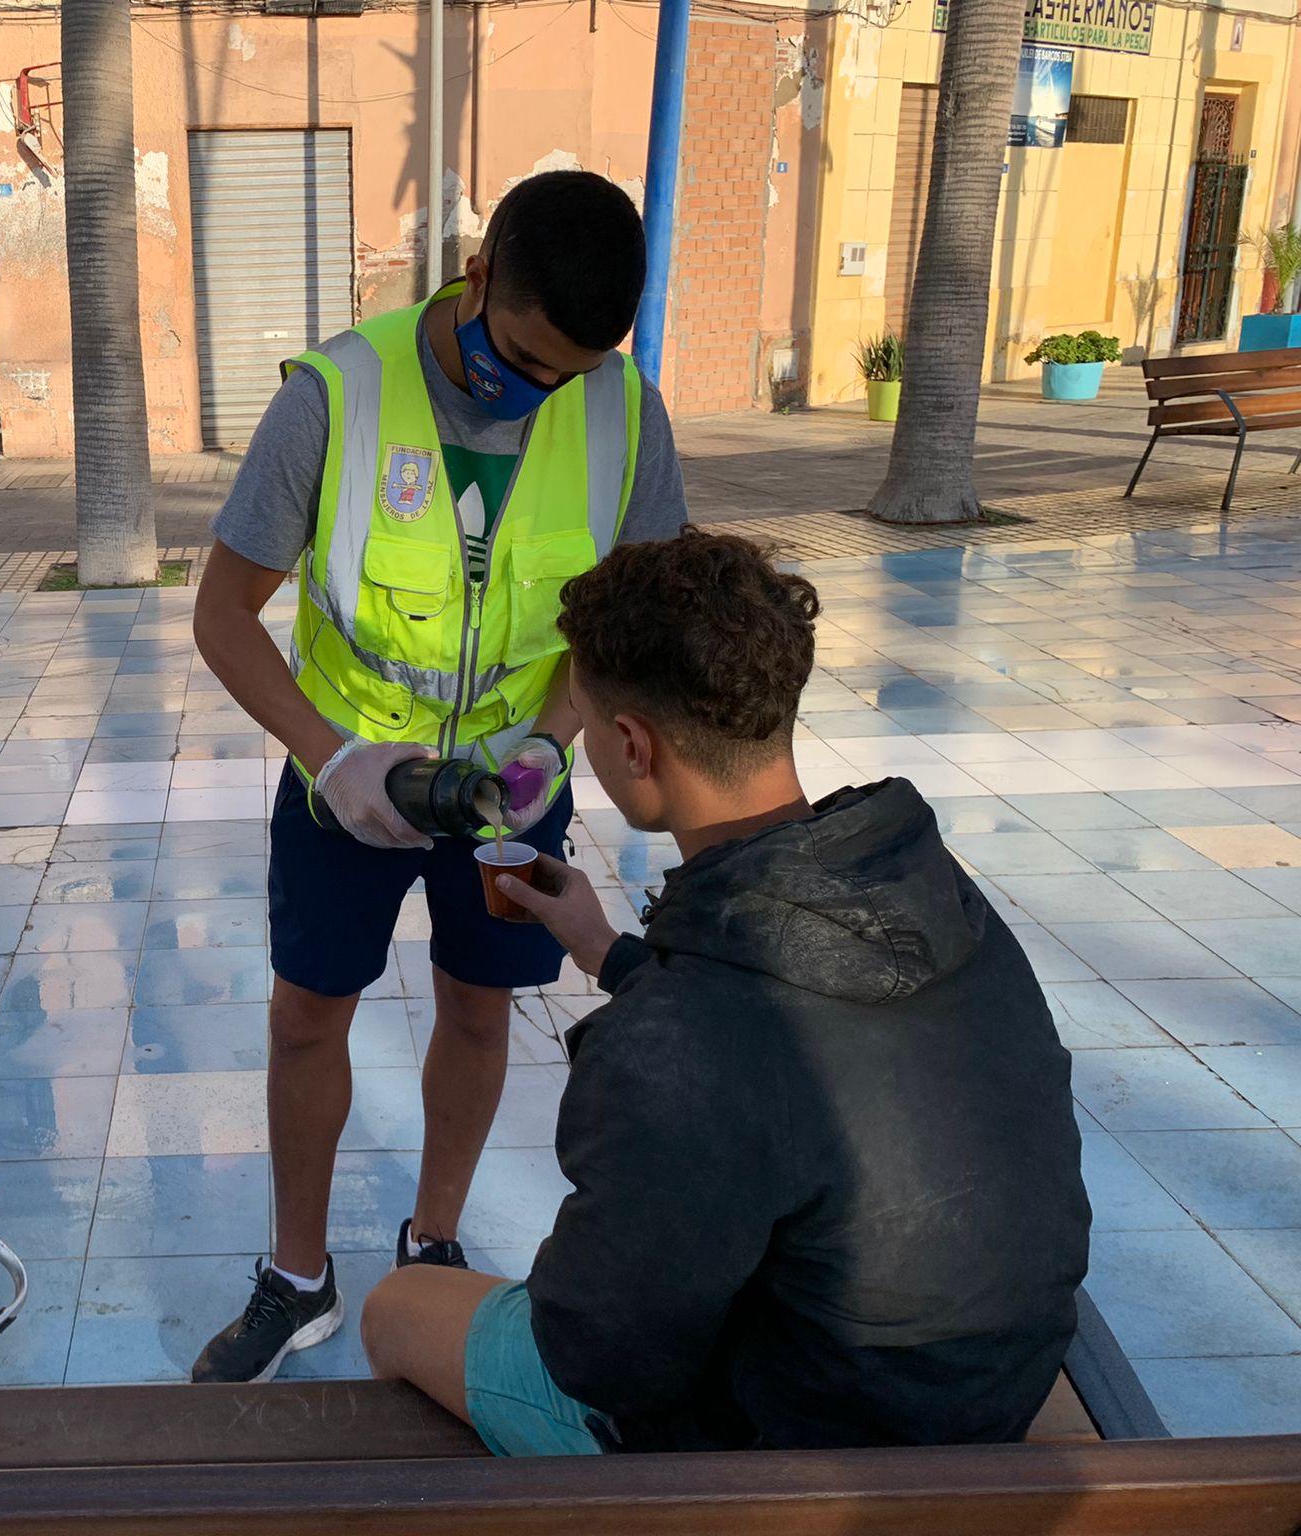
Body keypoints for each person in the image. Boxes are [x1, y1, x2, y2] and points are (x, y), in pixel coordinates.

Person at [360, 529, 1092, 1454]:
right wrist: (609, 952)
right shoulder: (932, 889)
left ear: (632, 744)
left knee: (401, 1305)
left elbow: (599, 1356)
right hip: (988, 1379)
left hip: (798, 1457)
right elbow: (797, 1030)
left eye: (583, 720)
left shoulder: (676, 1048)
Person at [190, 170, 689, 1383]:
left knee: (480, 1006)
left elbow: (628, 627)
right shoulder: (337, 396)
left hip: (513, 789)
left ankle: (431, 1242)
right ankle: (295, 1277)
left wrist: (551, 737)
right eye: (521, 359)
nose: (540, 392)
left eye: (568, 373)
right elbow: (220, 615)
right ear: (474, 281)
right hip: (348, 784)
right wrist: (334, 756)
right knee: (307, 1017)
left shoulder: (623, 412)